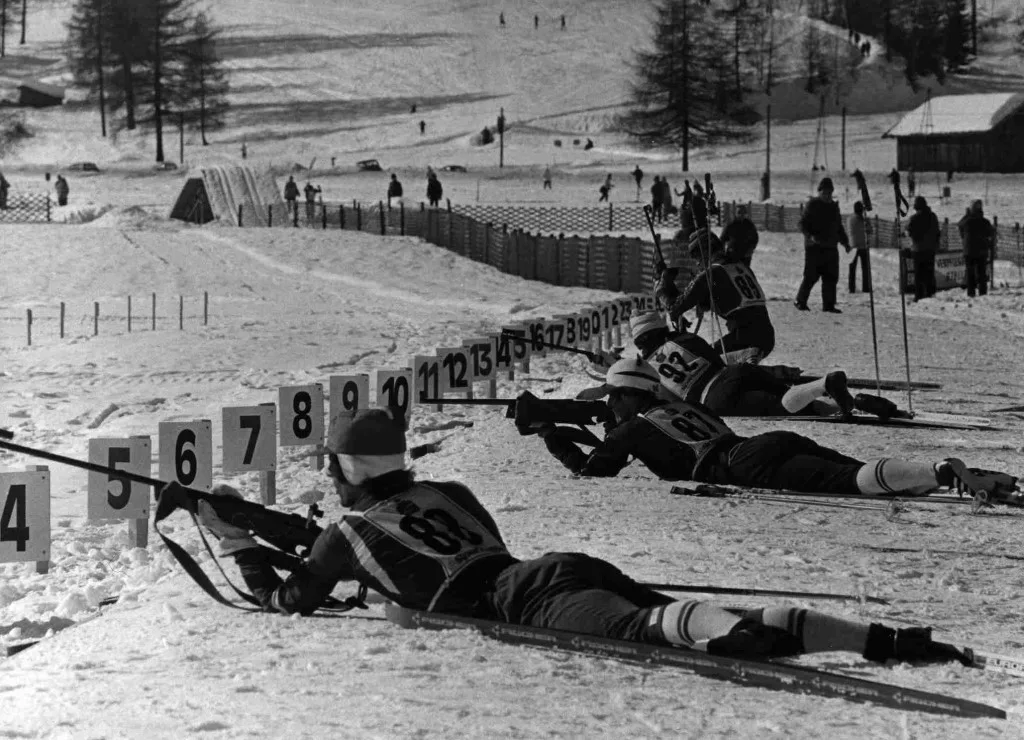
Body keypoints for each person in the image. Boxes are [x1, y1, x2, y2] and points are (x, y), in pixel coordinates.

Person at [197, 407, 975, 667]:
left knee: (660, 632)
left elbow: (292, 596)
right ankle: (884, 640)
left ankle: (858, 642)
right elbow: (388, 542)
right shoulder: (448, 488)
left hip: (522, 599)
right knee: (695, 615)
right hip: (547, 566)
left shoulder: (350, 529)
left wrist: (228, 535)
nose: (331, 484)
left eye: (334, 471)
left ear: (347, 471)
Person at [536, 358, 1019, 506]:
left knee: (849, 485)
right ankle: (957, 475)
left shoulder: (634, 429)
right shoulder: (677, 405)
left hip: (742, 464)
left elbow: (590, 470)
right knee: (853, 472)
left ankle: (940, 471)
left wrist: (548, 432)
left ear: (625, 396)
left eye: (611, 397)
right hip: (759, 444)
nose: (609, 405)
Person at [621, 311, 859, 419]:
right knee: (786, 393)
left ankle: (824, 388)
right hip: (734, 372)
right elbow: (714, 358)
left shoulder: (647, 369)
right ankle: (831, 398)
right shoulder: (685, 339)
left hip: (713, 398)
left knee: (782, 407)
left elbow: (667, 400)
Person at [656, 217, 776, 364]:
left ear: (704, 253)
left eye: (697, 258)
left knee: (702, 362)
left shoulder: (711, 273)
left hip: (745, 339)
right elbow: (711, 302)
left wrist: (661, 288)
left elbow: (674, 307)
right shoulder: (740, 267)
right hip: (766, 336)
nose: (698, 263)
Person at [795, 177, 850, 313]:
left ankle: (828, 305)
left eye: (829, 193)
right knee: (811, 276)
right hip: (814, 247)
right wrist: (810, 236)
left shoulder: (833, 207)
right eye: (824, 192)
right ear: (819, 192)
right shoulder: (813, 205)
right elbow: (802, 224)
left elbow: (839, 227)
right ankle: (800, 301)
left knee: (831, 277)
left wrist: (845, 243)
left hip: (831, 247)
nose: (827, 195)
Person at [905, 196, 940, 301]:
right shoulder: (933, 216)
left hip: (918, 249)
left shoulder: (914, 218)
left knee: (919, 274)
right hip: (931, 248)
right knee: (929, 272)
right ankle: (930, 293)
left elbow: (908, 231)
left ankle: (919, 295)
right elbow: (937, 231)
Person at [959, 199, 994, 298]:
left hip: (969, 251)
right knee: (982, 272)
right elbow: (990, 233)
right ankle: (983, 292)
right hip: (982, 251)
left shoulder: (967, 221)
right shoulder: (985, 222)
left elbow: (960, 225)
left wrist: (966, 215)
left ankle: (971, 292)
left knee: (970, 272)